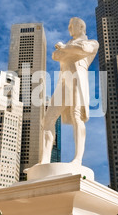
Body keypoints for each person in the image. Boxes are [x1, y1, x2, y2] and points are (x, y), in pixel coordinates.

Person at [39, 17, 99, 166]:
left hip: (77, 79)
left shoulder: (91, 42)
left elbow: (84, 49)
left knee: (76, 116)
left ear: (81, 27)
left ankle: (77, 159)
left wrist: (65, 48)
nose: (69, 28)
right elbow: (55, 56)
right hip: (63, 82)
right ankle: (44, 160)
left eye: (71, 26)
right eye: (69, 26)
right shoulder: (68, 45)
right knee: (47, 120)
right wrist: (66, 49)